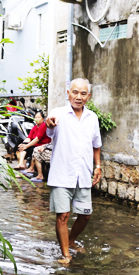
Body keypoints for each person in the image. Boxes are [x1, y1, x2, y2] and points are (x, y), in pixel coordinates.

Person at [45, 78, 102, 264]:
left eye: (83, 93)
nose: (78, 97)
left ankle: (70, 240)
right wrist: (50, 124)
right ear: (68, 93)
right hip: (62, 174)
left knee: (85, 214)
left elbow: (96, 145)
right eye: (75, 92)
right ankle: (66, 255)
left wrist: (98, 166)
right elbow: (49, 127)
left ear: (88, 96)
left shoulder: (92, 118)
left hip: (83, 174)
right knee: (63, 215)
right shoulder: (58, 113)